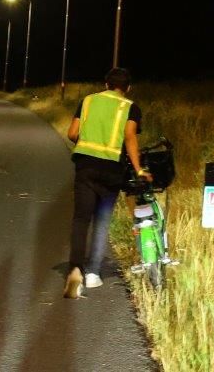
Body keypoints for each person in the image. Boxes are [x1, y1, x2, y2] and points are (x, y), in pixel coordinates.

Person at [63, 66, 150, 299]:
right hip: (112, 169)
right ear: (128, 87)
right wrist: (139, 168)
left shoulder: (88, 101)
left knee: (81, 220)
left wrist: (87, 143)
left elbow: (72, 133)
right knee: (102, 220)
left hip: (85, 166)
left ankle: (75, 271)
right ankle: (93, 273)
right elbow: (130, 137)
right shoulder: (130, 107)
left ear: (106, 84)